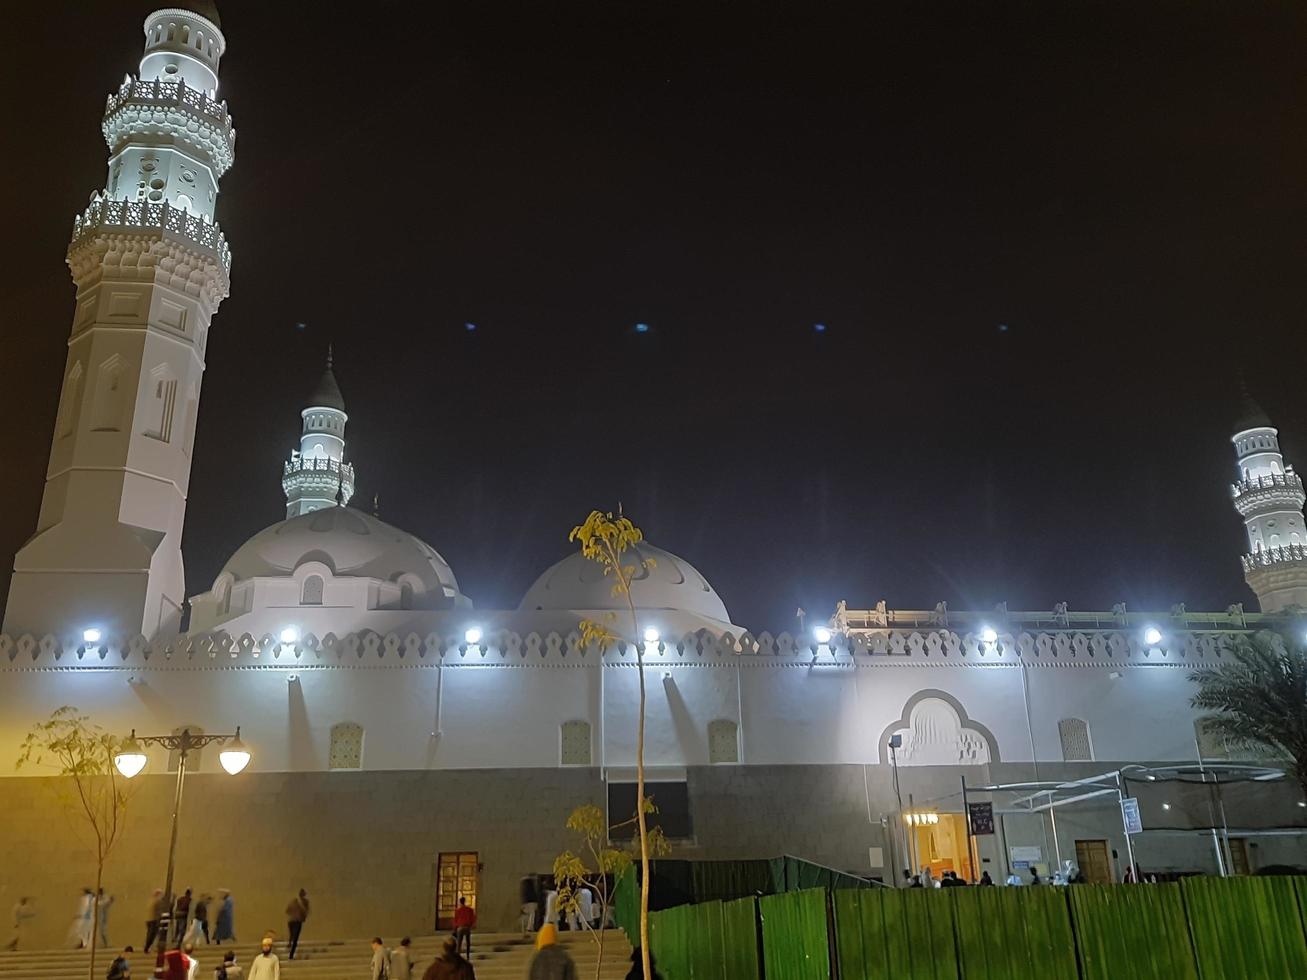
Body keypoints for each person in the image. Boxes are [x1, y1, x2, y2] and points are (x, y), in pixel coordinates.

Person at [284, 889, 309, 960]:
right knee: (295, 938)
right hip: (297, 921)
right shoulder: (303, 902)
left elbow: (287, 911)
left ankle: (290, 945)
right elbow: (306, 912)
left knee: (293, 936)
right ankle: (291, 954)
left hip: (292, 921)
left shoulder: (295, 901)